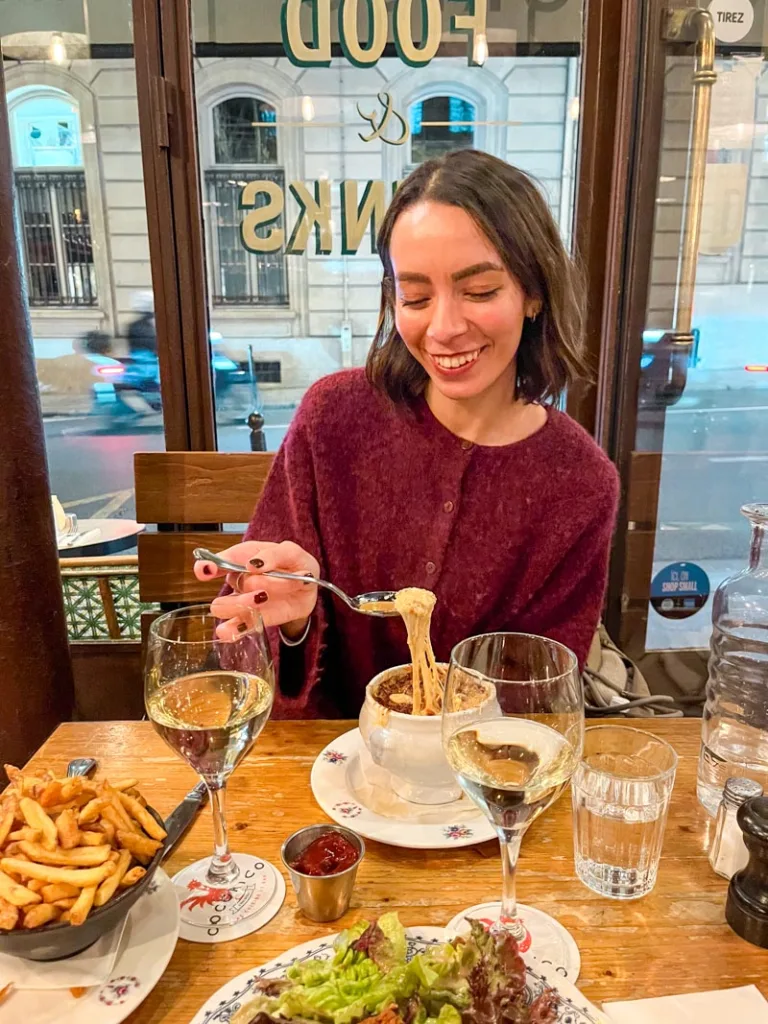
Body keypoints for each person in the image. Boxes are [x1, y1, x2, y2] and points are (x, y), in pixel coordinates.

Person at [194, 150, 619, 719]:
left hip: (476, 779)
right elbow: (241, 651)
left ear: (534, 293)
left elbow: (542, 699)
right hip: (321, 773)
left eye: (480, 291)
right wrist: (294, 624)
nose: (443, 328)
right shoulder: (335, 418)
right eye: (415, 297)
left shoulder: (580, 484)